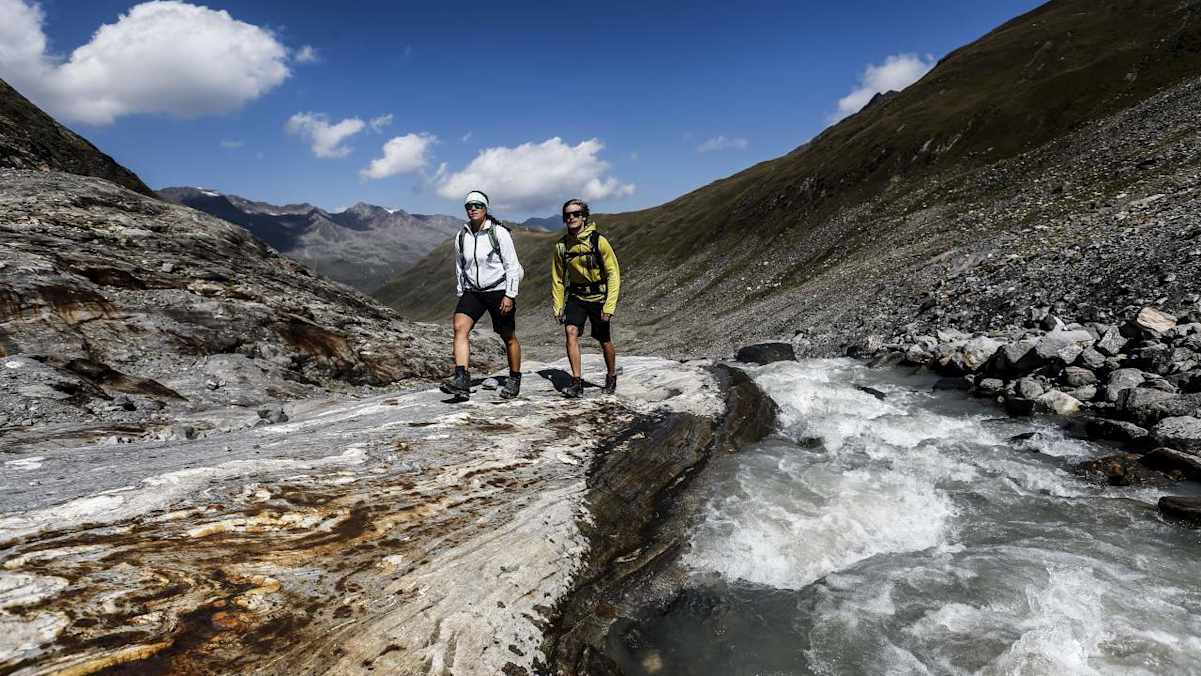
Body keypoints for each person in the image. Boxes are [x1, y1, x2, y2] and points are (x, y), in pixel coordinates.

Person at [440, 190, 524, 400]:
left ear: (485, 208)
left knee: (508, 336)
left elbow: (512, 266)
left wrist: (510, 295)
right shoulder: (462, 236)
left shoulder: (499, 233)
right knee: (459, 327)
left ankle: (514, 378)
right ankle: (461, 378)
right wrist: (462, 291)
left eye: (477, 205)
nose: (473, 209)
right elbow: (460, 265)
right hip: (473, 292)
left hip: (498, 290)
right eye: (469, 206)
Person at [551, 198, 621, 398]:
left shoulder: (599, 241)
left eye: (575, 214)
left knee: (603, 339)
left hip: (598, 296)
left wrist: (609, 306)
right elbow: (557, 277)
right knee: (571, 331)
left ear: (584, 216)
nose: (571, 218)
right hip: (576, 296)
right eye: (567, 215)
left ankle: (611, 375)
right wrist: (558, 306)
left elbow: (613, 274)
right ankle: (576, 381)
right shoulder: (562, 246)